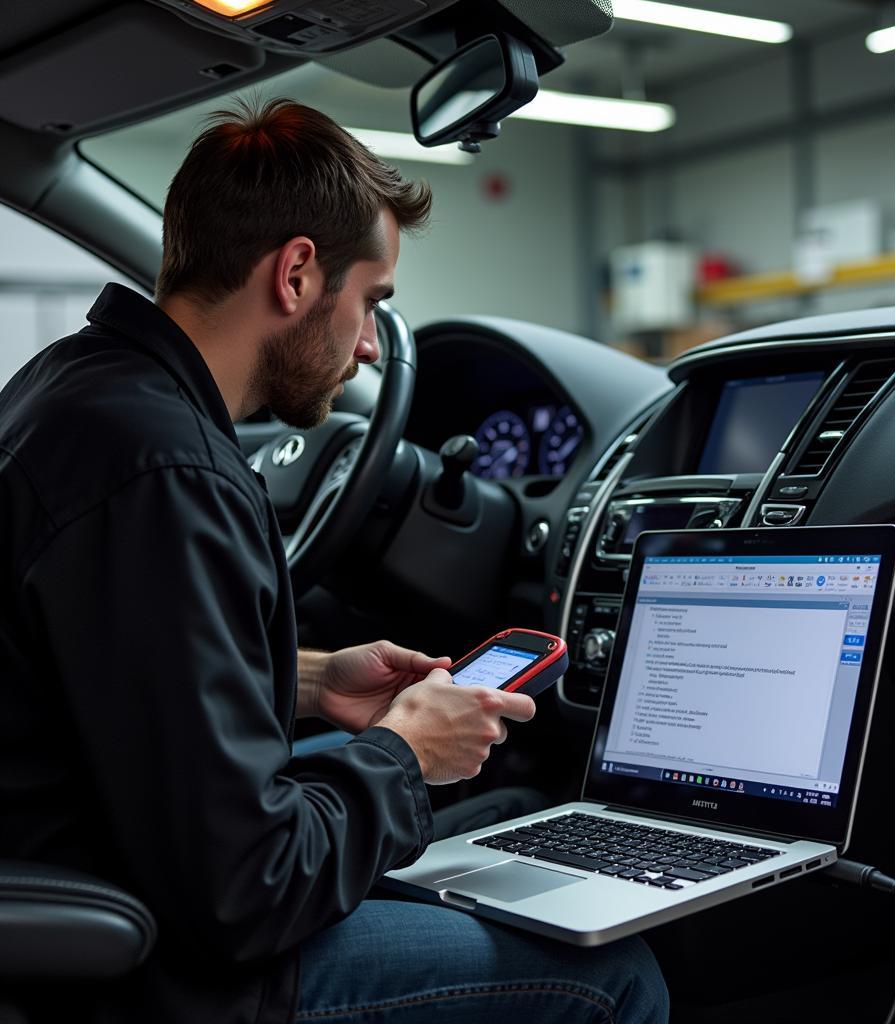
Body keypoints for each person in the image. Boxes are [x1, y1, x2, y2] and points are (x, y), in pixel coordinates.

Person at [0, 98, 669, 1023]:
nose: (365, 348)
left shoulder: (79, 391)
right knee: (615, 976)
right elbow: (251, 890)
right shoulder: (168, 476)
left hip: (105, 865)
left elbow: (119, 668)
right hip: (165, 975)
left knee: (467, 841)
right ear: (299, 272)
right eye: (373, 304)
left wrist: (309, 679)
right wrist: (405, 753)